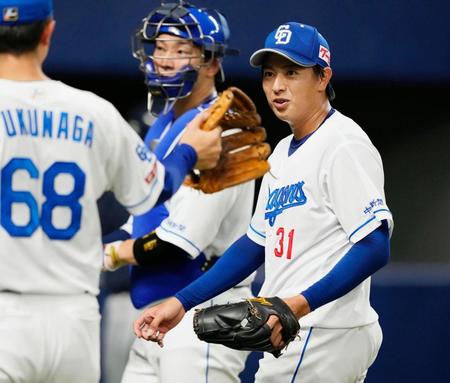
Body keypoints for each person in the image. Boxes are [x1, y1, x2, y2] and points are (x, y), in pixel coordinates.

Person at [133, 21, 394, 383]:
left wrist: (297, 304)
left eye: (292, 72)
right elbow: (254, 244)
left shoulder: (343, 143)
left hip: (319, 330)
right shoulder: (283, 152)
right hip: (307, 331)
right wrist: (182, 301)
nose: (277, 85)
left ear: (322, 78)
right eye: (269, 74)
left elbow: (375, 246)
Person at [0, 0, 223, 381]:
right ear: (49, 32)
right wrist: (189, 153)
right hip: (75, 319)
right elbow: (156, 190)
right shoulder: (93, 111)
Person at [101, 2, 255, 383]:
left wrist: (110, 254)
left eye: (182, 50)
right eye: (160, 48)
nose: (166, 60)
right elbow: (140, 219)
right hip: (155, 315)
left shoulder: (225, 128)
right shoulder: (161, 125)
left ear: (213, 64)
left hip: (204, 312)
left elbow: (177, 243)